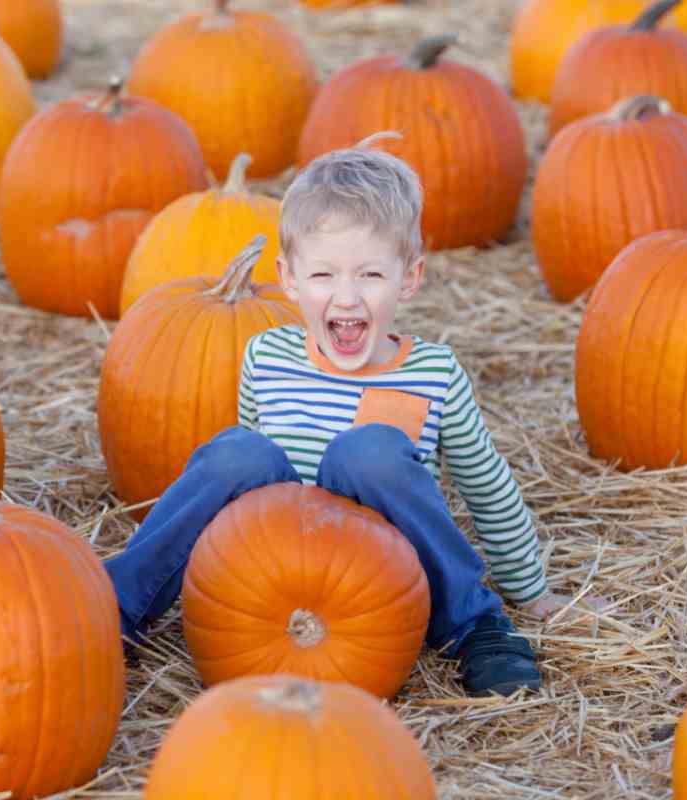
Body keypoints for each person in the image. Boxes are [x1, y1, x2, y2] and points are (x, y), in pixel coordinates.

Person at [104, 136, 597, 696]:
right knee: (239, 453)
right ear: (288, 278)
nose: (346, 298)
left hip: (379, 581)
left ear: (409, 278)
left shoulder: (434, 373)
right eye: (324, 276)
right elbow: (246, 492)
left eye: (370, 275)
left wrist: (531, 590)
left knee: (368, 454)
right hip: (276, 575)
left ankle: (473, 624)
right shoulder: (266, 357)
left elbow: (486, 486)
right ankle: (118, 608)